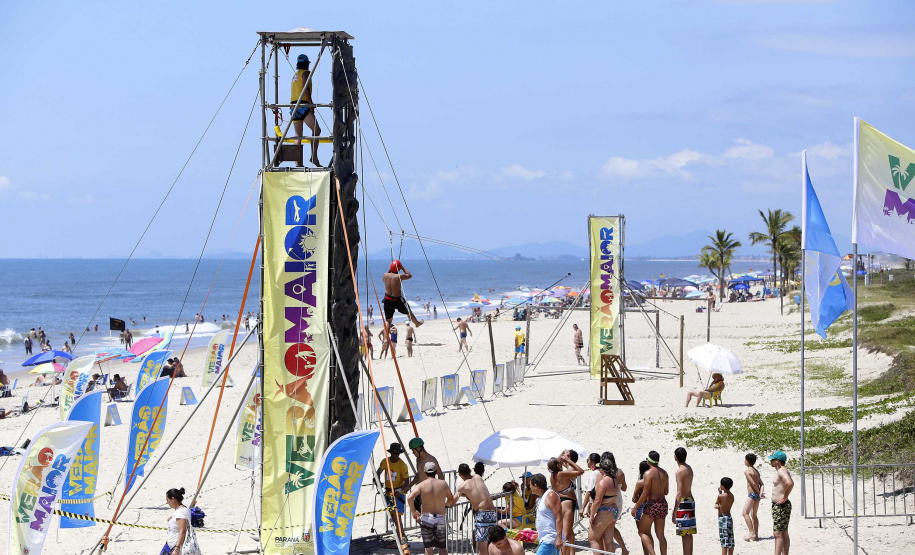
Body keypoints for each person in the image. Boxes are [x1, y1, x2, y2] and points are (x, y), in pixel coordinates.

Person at [407, 461, 457, 555]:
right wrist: (445, 505)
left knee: (428, 548)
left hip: (426, 518)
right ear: (436, 471)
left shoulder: (422, 485)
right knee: (442, 547)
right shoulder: (443, 484)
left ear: (425, 473)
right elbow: (451, 499)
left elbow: (410, 497)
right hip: (440, 518)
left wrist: (414, 512)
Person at [631, 451, 669, 555]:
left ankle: (652, 554)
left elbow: (645, 494)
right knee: (661, 535)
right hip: (663, 503)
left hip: (652, 504)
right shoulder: (664, 473)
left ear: (649, 461)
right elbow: (666, 492)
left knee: (642, 531)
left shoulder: (648, 473)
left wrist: (635, 507)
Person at [456, 463, 497, 555]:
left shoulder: (462, 486)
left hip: (482, 514)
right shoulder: (478, 477)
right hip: (492, 513)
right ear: (470, 470)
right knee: (493, 542)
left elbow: (453, 500)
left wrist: (445, 504)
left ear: (459, 474)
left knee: (482, 546)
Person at [547, 451, 584, 555]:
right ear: (558, 465)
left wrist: (561, 456)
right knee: (566, 535)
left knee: (566, 532)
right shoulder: (562, 474)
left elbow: (553, 463)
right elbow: (580, 471)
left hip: (559, 502)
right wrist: (568, 460)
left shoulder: (552, 475)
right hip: (567, 502)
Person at [290, 53, 321, 167]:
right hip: (303, 104)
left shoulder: (295, 75)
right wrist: (311, 104)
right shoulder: (306, 73)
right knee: (316, 130)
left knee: (298, 135)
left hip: (294, 106)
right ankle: (314, 156)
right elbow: (305, 88)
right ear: (307, 64)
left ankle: (297, 163)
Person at [377, 443, 410, 544]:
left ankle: (402, 535)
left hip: (398, 493)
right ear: (391, 453)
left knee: (397, 516)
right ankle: (400, 535)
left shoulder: (403, 465)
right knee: (392, 516)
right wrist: (377, 482)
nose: (396, 455)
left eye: (398, 453)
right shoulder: (385, 461)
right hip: (388, 492)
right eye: (394, 453)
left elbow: (407, 482)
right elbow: (378, 473)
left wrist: (399, 491)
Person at [588, 452, 621, 555]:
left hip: (604, 511)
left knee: (593, 539)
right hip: (613, 510)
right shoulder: (614, 480)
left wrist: (592, 515)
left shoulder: (603, 482)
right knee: (609, 540)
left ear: (602, 469)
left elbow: (597, 500)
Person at [407, 437, 445, 513]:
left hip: (430, 493)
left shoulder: (431, 459)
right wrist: (409, 485)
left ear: (419, 448)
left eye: (413, 450)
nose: (413, 453)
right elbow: (419, 474)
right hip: (420, 492)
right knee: (418, 515)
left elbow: (440, 477)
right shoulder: (418, 459)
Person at [530, 473, 563, 555]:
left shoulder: (551, 495)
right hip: (544, 538)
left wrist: (559, 537)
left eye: (530, 485)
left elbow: (559, 517)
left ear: (535, 486)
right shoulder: (541, 498)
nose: (530, 488)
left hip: (550, 538)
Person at [383, 260, 424, 327]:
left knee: (388, 321)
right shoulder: (399, 276)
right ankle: (416, 323)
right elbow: (409, 275)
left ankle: (385, 337)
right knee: (408, 311)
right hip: (397, 300)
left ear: (390, 268)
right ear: (398, 268)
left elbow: (385, 279)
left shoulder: (385, 275)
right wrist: (402, 268)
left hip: (387, 300)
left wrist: (391, 269)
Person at [769, 450, 793, 555]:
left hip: (780, 505)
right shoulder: (783, 470)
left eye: (772, 460)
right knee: (783, 532)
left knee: (778, 534)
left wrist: (784, 497)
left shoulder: (781, 471)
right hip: (781, 505)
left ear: (777, 461)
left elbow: (790, 483)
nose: (771, 461)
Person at [672, 447, 696, 553]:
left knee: (684, 533)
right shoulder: (689, 468)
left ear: (675, 458)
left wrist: (674, 511)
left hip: (684, 501)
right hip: (690, 499)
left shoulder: (680, 471)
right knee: (689, 532)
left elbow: (679, 493)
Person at [162, 487, 191, 555]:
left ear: (173, 499)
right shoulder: (183, 509)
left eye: (167, 500)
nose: (167, 502)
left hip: (176, 547)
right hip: (172, 546)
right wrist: (172, 518)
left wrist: (177, 549)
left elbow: (182, 532)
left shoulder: (180, 513)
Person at [742, 453, 764, 541]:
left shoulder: (747, 472)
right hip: (757, 495)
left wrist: (758, 492)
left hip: (752, 494)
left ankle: (751, 533)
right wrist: (761, 493)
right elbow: (761, 484)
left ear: (747, 461)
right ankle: (756, 535)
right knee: (754, 515)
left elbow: (753, 483)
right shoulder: (756, 471)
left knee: (745, 512)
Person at [716, 477, 735, 555]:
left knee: (724, 541)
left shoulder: (721, 496)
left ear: (723, 486)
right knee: (730, 540)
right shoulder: (732, 496)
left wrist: (719, 494)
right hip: (729, 518)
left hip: (722, 518)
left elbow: (717, 503)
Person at [580, 453, 602, 519]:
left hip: (595, 504)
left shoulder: (594, 473)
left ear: (593, 462)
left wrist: (583, 508)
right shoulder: (600, 471)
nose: (587, 462)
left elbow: (590, 491)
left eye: (588, 460)